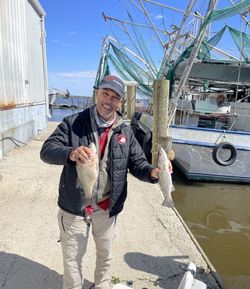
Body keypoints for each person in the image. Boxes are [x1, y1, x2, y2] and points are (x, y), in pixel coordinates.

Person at [40, 75, 172, 289]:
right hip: (74, 207)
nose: (109, 101)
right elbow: (46, 150)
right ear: (97, 94)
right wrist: (71, 153)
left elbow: (138, 164)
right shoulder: (73, 123)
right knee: (72, 259)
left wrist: (154, 173)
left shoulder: (126, 132)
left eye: (115, 97)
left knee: (106, 255)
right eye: (105, 94)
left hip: (107, 207)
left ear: (121, 102)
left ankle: (101, 285)